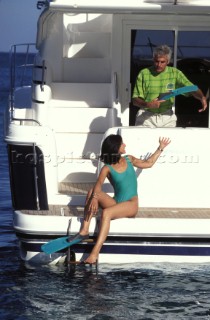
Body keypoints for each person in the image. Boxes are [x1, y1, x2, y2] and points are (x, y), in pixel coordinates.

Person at [70, 134, 171, 264]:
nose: (125, 145)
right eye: (122, 144)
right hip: (116, 202)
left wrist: (160, 148)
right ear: (116, 148)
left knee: (106, 213)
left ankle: (94, 254)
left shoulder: (129, 159)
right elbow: (98, 185)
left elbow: (149, 163)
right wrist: (95, 198)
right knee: (91, 192)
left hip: (131, 204)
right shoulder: (107, 168)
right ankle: (84, 230)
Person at [132, 44, 207, 128]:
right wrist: (148, 104)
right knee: (143, 141)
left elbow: (191, 88)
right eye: (156, 61)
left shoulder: (175, 73)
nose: (159, 64)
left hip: (167, 117)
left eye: (162, 62)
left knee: (169, 140)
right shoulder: (144, 73)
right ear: (153, 59)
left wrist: (202, 97)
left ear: (168, 61)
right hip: (146, 116)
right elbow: (135, 100)